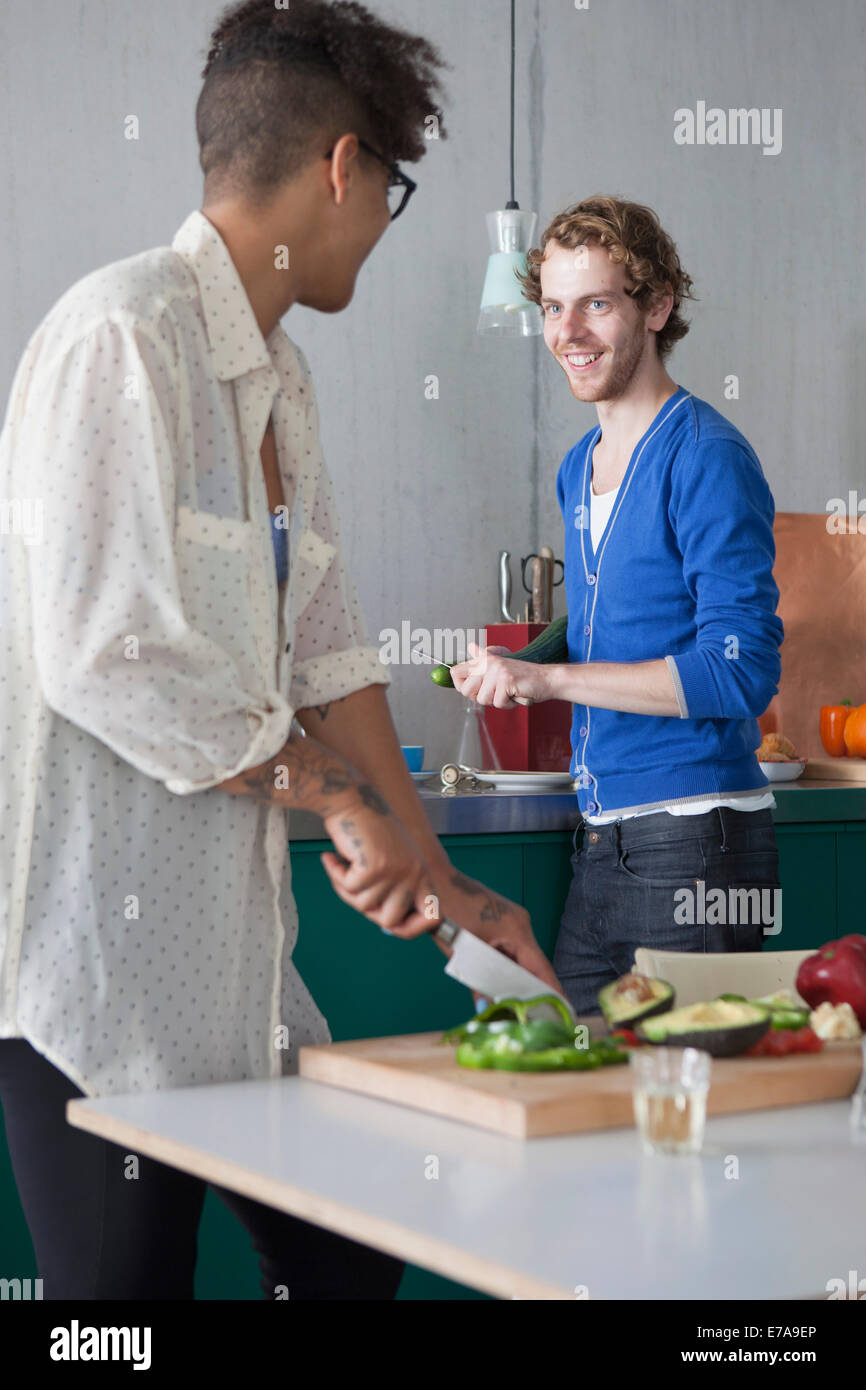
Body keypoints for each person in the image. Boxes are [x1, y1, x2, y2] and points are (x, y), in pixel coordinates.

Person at [0, 0, 558, 1301]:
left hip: (246, 990)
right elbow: (106, 656)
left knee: (353, 1269)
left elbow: (328, 658)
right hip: (98, 993)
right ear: (341, 165)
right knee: (116, 1332)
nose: (378, 222)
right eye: (390, 189)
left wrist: (452, 894)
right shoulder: (120, 337)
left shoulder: (281, 382)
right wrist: (328, 792)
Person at [451, 195, 784, 1016]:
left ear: (657, 306)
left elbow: (740, 671)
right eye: (555, 308)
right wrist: (524, 665)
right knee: (582, 1093)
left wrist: (551, 686)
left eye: (597, 304)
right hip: (605, 840)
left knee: (681, 1119)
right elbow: (617, 621)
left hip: (695, 843)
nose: (570, 332)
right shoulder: (580, 465)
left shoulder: (705, 457)